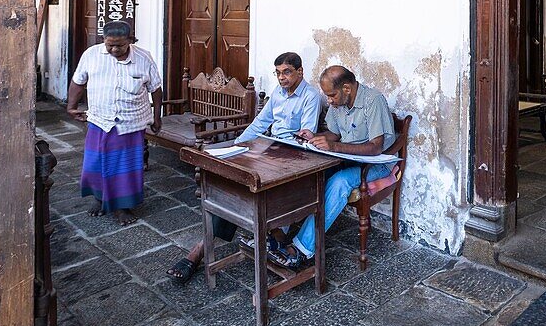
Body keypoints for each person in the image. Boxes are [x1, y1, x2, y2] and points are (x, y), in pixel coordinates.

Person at [166, 51, 323, 283]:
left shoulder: (310, 96)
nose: (282, 78)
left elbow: (305, 137)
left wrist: (269, 152)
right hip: (268, 147)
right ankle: (201, 248)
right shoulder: (278, 93)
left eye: (287, 72)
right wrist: (238, 144)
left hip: (291, 155)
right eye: (278, 73)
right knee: (230, 181)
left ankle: (208, 248)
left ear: (300, 72)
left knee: (245, 185)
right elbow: (260, 123)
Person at [287, 65, 397, 265]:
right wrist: (316, 137)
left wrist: (335, 146)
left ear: (347, 88)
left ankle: (301, 249)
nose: (329, 101)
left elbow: (375, 147)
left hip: (376, 165)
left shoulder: (373, 100)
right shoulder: (339, 104)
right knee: (306, 173)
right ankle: (278, 234)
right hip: (347, 159)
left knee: (339, 182)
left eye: (331, 95)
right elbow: (334, 134)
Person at [67, 20, 163, 226]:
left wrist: (157, 116)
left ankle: (122, 206)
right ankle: (99, 198)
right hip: (100, 119)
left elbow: (155, 88)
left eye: (119, 45)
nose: (114, 49)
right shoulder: (91, 55)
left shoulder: (144, 57)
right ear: (104, 40)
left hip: (131, 120)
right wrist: (71, 106)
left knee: (125, 166)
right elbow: (78, 81)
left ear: (130, 40)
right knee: (96, 162)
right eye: (110, 44)